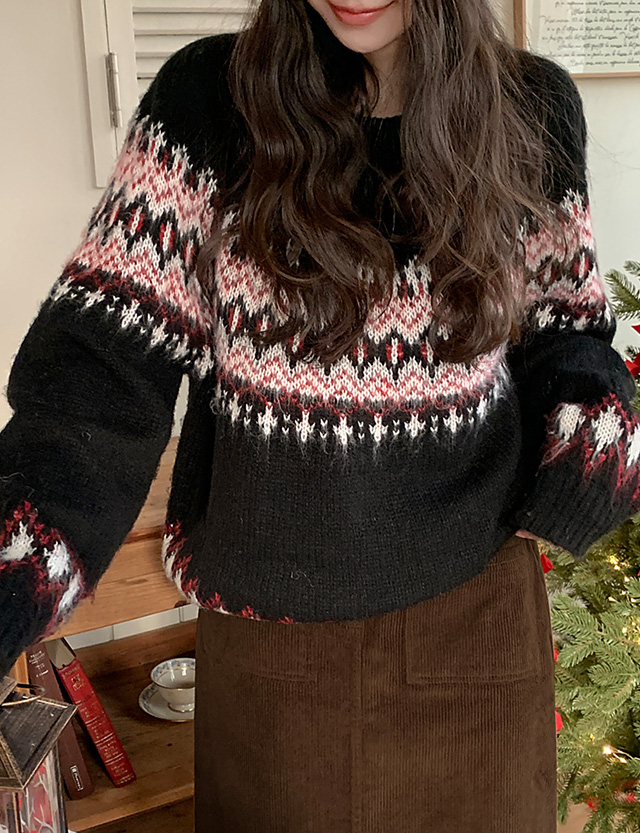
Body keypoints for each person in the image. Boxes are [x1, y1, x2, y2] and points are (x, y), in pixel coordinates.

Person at [1, 0, 639, 830]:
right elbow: (97, 384)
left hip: (475, 622)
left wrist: (592, 432)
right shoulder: (208, 106)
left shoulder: (533, 108)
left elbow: (562, 325)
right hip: (269, 648)